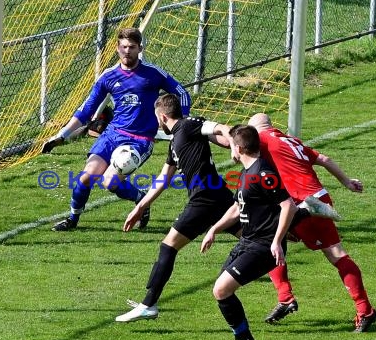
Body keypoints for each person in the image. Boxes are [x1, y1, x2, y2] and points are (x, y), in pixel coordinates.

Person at [115, 94, 336, 323]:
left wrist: (233, 146)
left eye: (156, 118)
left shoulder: (190, 125)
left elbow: (225, 128)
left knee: (168, 247)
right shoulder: (175, 144)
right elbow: (163, 179)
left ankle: (148, 304)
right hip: (219, 198)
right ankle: (303, 213)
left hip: (204, 200)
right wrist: (140, 207)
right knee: (259, 237)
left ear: (162, 116)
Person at [42, 28, 191, 231]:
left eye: (131, 47)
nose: (127, 51)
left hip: (140, 140)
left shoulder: (153, 74)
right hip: (112, 134)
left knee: (109, 181)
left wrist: (179, 124)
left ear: (140, 48)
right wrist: (62, 135)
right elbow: (86, 110)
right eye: (123, 47)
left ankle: (140, 200)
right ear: (117, 48)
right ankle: (72, 219)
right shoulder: (108, 77)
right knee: (86, 177)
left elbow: (182, 94)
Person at [248, 113, 376, 332]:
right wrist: (347, 182)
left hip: (304, 204)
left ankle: (364, 310)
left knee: (333, 254)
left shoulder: (263, 139)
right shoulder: (291, 140)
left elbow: (233, 140)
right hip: (317, 198)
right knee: (271, 237)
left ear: (257, 130)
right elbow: (324, 159)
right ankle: (286, 298)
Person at [200, 124, 297, 340]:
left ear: (240, 148)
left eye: (231, 144)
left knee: (221, 289)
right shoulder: (246, 172)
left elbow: (288, 205)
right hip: (248, 241)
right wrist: (213, 229)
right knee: (221, 291)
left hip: (263, 246)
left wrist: (277, 241)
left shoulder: (263, 173)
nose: (229, 149)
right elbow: (237, 207)